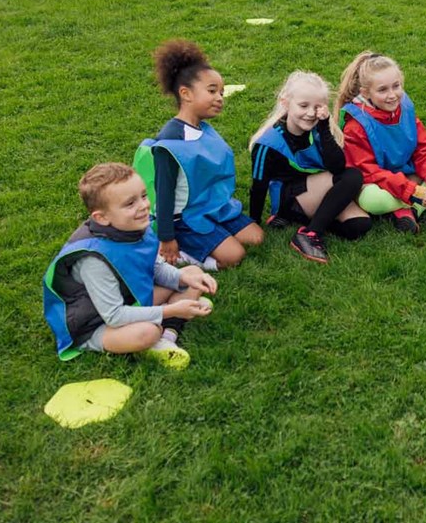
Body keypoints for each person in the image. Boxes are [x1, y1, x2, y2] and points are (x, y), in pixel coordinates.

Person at [42, 163, 217, 370]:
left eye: (143, 196)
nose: (143, 206)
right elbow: (114, 316)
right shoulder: (93, 260)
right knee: (147, 332)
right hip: (96, 324)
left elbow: (156, 268)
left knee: (193, 274)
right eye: (130, 203)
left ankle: (168, 336)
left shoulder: (134, 226)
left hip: (128, 298)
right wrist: (170, 309)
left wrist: (184, 279)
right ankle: (160, 332)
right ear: (102, 217)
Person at [137, 40, 263, 270]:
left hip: (212, 207)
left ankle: (215, 236)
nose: (220, 98)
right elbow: (164, 194)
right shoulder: (170, 143)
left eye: (222, 92)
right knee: (234, 256)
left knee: (256, 238)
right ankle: (179, 256)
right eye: (212, 91)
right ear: (185, 94)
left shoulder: (203, 128)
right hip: (185, 220)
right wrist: (167, 237)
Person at [334, 51, 426, 234]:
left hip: (406, 172)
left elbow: (424, 151)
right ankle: (423, 199)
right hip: (378, 183)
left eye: (396, 86)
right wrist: (414, 191)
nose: (392, 95)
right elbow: (370, 173)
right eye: (382, 90)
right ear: (366, 92)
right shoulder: (355, 126)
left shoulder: (404, 108)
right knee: (372, 200)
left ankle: (411, 208)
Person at [248, 71, 372, 263]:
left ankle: (310, 223)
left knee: (359, 226)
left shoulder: (318, 129)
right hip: (288, 199)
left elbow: (337, 166)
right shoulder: (268, 143)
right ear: (285, 103)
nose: (310, 113)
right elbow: (258, 186)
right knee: (352, 176)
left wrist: (324, 127)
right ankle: (310, 234)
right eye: (303, 106)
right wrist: (253, 223)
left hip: (316, 191)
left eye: (317, 107)